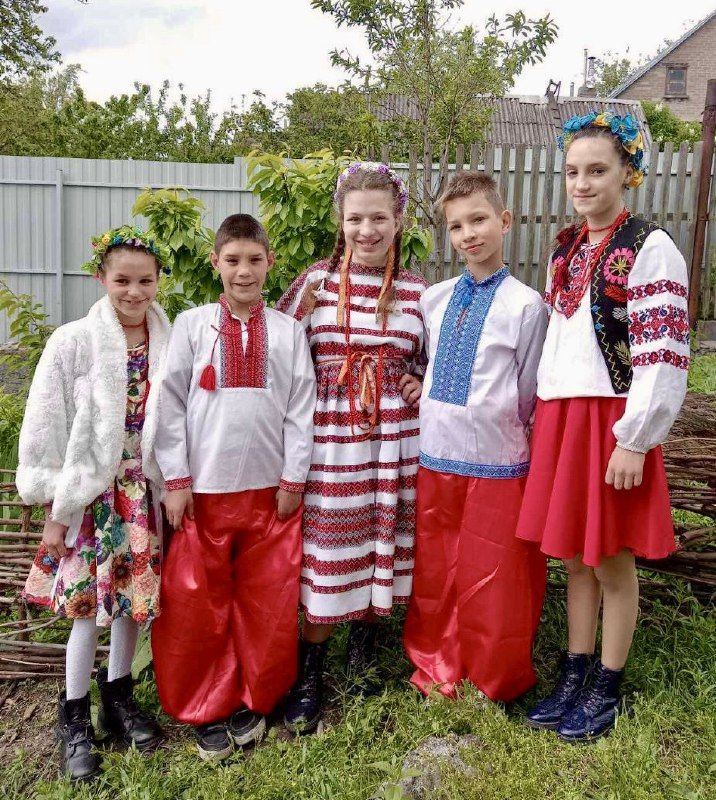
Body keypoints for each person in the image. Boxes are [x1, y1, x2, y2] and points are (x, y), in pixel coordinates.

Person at [517, 111, 690, 741]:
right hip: (563, 415)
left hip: (611, 421)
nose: (583, 184)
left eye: (597, 170)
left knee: (611, 559)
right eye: (573, 172)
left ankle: (607, 684)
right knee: (574, 559)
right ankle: (575, 669)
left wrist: (635, 439)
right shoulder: (565, 249)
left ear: (628, 173)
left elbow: (663, 352)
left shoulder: (651, 248)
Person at [150, 213, 315, 760]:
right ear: (215, 262)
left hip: (272, 493)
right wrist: (176, 480)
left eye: (254, 260)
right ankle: (207, 703)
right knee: (199, 601)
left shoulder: (289, 332)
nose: (244, 271)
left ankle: (256, 695)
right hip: (203, 493)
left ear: (270, 263)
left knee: (268, 599)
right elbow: (169, 404)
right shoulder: (192, 325)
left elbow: (301, 409)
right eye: (233, 260)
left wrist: (294, 477)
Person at [276, 162, 427, 732]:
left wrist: (419, 380)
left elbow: (434, 360)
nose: (368, 230)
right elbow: (279, 352)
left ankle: (364, 644)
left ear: (398, 220)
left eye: (379, 218)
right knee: (329, 543)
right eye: (356, 218)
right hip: (331, 438)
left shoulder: (418, 291)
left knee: (381, 534)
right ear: (340, 220)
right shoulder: (315, 283)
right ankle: (310, 663)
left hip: (394, 439)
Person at [19, 226, 171, 782]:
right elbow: (46, 421)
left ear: (158, 281)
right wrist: (55, 508)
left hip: (140, 494)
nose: (134, 292)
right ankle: (75, 715)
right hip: (88, 499)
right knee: (87, 608)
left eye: (145, 281)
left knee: (131, 603)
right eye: (122, 280)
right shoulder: (73, 342)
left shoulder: (169, 340)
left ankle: (118, 697)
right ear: (100, 278)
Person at [403, 171, 548, 702]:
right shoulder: (434, 300)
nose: (469, 234)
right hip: (437, 454)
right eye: (457, 226)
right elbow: (428, 365)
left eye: (479, 220)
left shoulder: (527, 305)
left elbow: (528, 388)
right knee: (438, 566)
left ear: (504, 221)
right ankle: (436, 659)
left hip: (498, 459)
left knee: (496, 569)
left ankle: (493, 670)